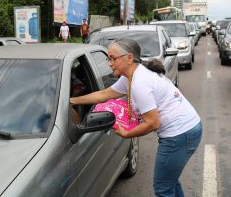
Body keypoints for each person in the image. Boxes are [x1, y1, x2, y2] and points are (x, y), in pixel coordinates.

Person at [70, 37, 202, 197]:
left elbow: (152, 123)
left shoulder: (140, 82)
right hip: (186, 130)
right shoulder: (131, 76)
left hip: (180, 134)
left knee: (163, 188)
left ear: (129, 57)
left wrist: (127, 134)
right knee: (170, 182)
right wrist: (72, 100)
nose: (109, 63)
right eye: (108, 59)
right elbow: (105, 94)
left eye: (113, 58)